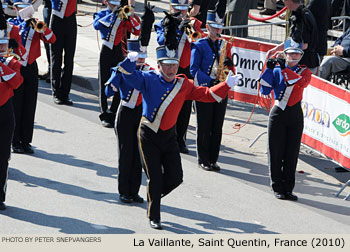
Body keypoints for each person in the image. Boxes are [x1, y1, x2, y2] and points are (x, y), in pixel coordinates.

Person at [108, 45, 241, 229]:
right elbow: (129, 77)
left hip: (169, 137)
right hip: (148, 135)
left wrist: (226, 85)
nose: (171, 70)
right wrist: (130, 61)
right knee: (154, 177)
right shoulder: (148, 79)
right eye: (167, 65)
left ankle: (153, 195)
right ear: (160, 66)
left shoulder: (183, 84)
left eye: (174, 66)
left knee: (176, 177)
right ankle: (154, 216)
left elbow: (206, 95)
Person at [105, 3, 155, 204]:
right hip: (125, 113)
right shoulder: (122, 69)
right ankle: (124, 190)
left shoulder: (150, 71)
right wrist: (123, 69)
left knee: (138, 155)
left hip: (140, 115)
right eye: (138, 58)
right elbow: (109, 91)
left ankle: (134, 190)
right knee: (126, 154)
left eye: (143, 57)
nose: (141, 61)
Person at [260, 38, 312, 201]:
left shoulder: (304, 71)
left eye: (297, 53)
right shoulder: (276, 70)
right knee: (275, 151)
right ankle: (277, 186)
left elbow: (301, 83)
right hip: (278, 113)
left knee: (291, 153)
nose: (294, 56)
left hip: (295, 114)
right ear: (286, 54)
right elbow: (265, 89)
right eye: (291, 53)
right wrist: (268, 70)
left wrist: (283, 69)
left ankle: (288, 188)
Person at [154, 0, 204, 154]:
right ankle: (165, 135)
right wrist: (174, 30)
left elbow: (198, 41)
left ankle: (180, 139)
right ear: (172, 8)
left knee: (185, 107)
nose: (181, 13)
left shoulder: (193, 23)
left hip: (186, 68)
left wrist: (187, 29)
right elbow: (161, 40)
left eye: (183, 10)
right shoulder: (164, 22)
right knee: (168, 103)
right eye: (177, 10)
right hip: (169, 68)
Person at [190, 7, 235, 172]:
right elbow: (193, 70)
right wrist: (210, 81)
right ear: (208, 27)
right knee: (204, 125)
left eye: (220, 27)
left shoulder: (224, 44)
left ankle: (213, 158)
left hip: (221, 89)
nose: (218, 31)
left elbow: (231, 70)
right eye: (214, 28)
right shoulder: (199, 45)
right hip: (205, 89)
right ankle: (203, 159)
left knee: (217, 125)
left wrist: (230, 66)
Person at [8, 0, 56, 154]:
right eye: (21, 8)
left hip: (31, 67)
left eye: (26, 8)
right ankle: (15, 141)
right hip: (16, 66)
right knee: (17, 104)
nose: (24, 12)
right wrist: (24, 24)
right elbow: (13, 36)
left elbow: (52, 39)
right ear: (15, 9)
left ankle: (26, 140)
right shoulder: (11, 23)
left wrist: (41, 28)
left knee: (30, 104)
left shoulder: (35, 24)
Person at [93, 0, 141, 128]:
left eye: (116, 4)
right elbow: (97, 25)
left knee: (120, 80)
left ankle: (113, 111)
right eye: (112, 4)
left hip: (119, 51)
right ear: (106, 2)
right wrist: (112, 15)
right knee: (104, 80)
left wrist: (130, 16)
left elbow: (137, 31)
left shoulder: (123, 17)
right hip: (106, 50)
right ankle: (104, 112)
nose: (115, 6)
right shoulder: (102, 13)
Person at [0, 16, 24, 210]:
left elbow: (16, 82)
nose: (1, 47)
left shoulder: (12, 62)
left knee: (3, 156)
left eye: (3, 44)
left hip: (6, 111)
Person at [266, 0, 319, 74]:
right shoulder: (297, 13)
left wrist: (284, 53)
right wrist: (275, 49)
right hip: (298, 63)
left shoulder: (303, 17)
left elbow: (304, 45)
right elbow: (292, 41)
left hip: (305, 66)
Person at [50, 0, 77, 106]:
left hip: (70, 18)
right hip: (57, 17)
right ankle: (56, 93)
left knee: (69, 59)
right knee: (56, 58)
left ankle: (65, 93)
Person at [38, 0, 52, 82]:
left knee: (50, 39)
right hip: (47, 7)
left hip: (56, 9)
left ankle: (53, 70)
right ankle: (51, 69)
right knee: (47, 39)